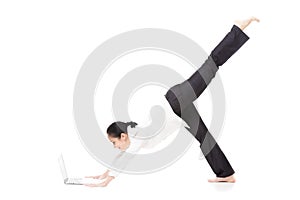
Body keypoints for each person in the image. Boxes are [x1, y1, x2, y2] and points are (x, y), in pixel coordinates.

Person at [85, 17, 260, 187]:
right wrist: (106, 172)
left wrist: (109, 179)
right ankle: (226, 174)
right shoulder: (133, 136)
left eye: (114, 143)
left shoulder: (139, 135)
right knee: (205, 139)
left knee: (211, 66)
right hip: (179, 112)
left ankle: (237, 29)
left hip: (177, 100)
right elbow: (123, 156)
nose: (115, 147)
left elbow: (126, 158)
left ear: (123, 136)